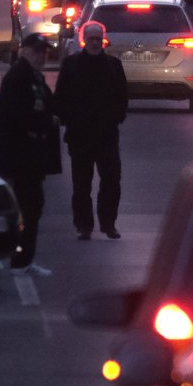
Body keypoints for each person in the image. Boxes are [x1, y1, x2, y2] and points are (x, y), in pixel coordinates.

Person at [53, 20, 130, 240]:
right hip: (80, 136)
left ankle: (108, 224)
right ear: (83, 40)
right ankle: (84, 225)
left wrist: (117, 117)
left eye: (98, 39)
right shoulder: (71, 64)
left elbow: (122, 95)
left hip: (107, 135)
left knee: (112, 180)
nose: (95, 43)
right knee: (81, 184)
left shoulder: (113, 65)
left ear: (103, 40)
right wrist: (68, 119)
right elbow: (61, 96)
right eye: (91, 39)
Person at [0, 33, 61, 274]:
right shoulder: (17, 78)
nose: (43, 56)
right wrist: (46, 120)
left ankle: (22, 258)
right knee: (27, 208)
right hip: (19, 155)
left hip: (31, 156)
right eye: (38, 51)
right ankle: (18, 259)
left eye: (45, 52)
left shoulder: (34, 77)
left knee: (32, 207)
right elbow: (15, 116)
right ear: (25, 51)